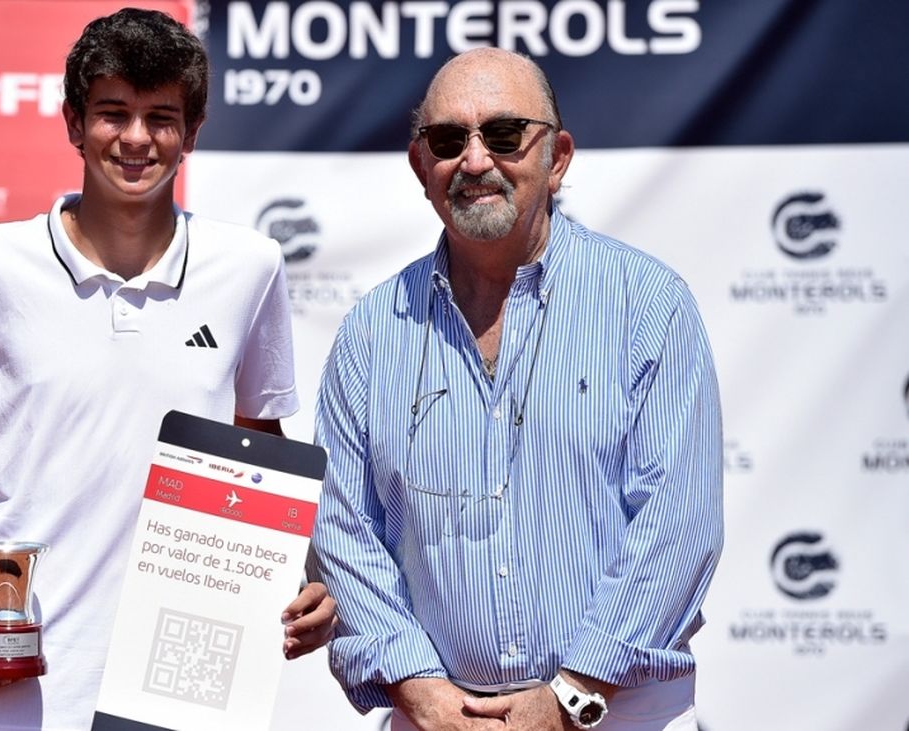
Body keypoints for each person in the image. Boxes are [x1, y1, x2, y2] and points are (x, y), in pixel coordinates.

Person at [0, 9, 336, 730]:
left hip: (177, 693)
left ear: (191, 132)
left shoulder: (250, 267)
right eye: (112, 113)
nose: (136, 138)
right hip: (9, 684)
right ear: (73, 122)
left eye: (161, 117)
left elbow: (263, 448)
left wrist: (301, 575)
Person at [309, 48, 723, 731]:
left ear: (556, 157)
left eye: (504, 135)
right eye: (448, 140)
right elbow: (343, 527)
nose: (475, 161)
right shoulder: (371, 331)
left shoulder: (649, 306)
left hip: (615, 712)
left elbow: (676, 524)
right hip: (438, 718)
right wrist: (418, 688)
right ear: (421, 166)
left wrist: (572, 692)